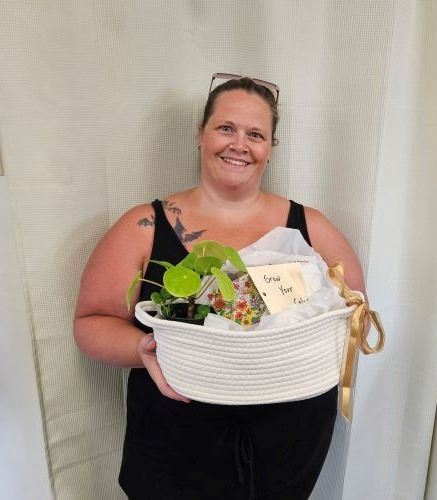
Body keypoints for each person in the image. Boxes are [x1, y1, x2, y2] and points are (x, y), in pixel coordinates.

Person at [74, 74, 366, 500]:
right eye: (226, 128)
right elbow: (90, 324)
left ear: (270, 148)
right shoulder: (144, 226)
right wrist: (142, 348)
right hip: (175, 436)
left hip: (289, 437)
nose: (239, 144)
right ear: (201, 133)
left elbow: (354, 312)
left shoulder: (311, 227)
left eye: (255, 134)